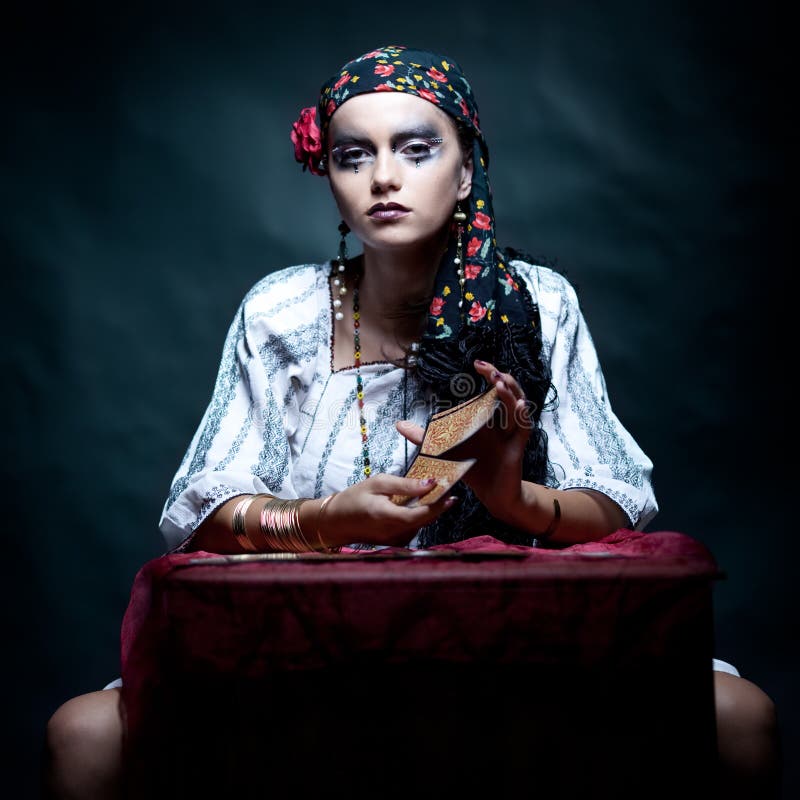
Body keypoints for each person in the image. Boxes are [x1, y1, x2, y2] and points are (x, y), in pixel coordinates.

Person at [43, 44, 780, 799]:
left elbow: (617, 501)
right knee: (85, 731)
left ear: (466, 171)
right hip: (316, 649)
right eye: (353, 155)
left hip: (515, 647)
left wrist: (508, 497)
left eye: (416, 149)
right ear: (327, 175)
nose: (384, 177)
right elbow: (203, 509)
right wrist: (325, 520)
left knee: (736, 714)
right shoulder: (282, 309)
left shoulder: (538, 303)